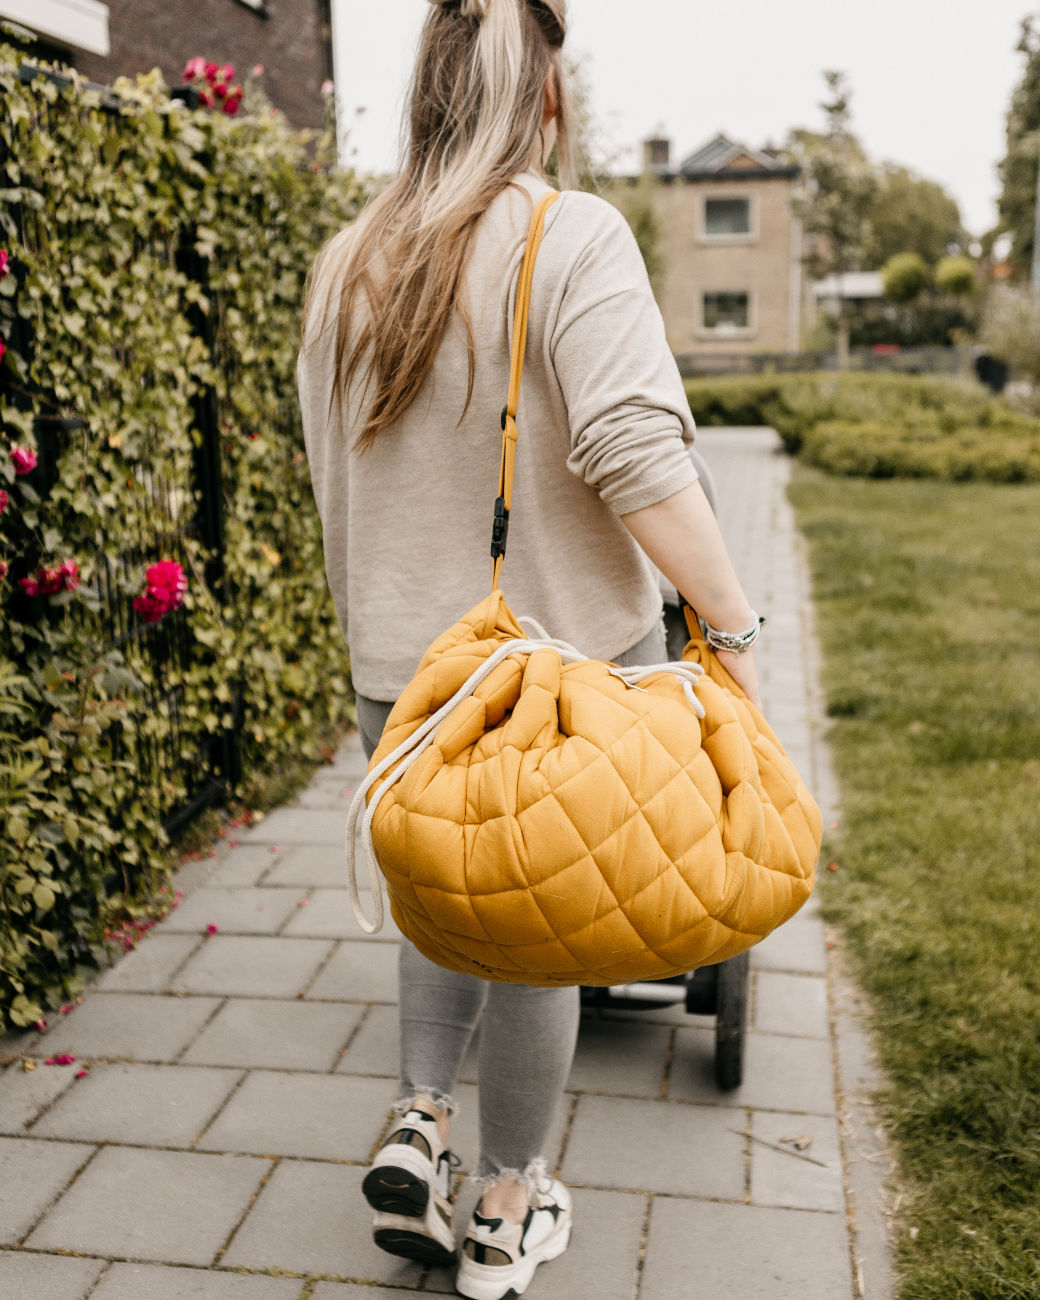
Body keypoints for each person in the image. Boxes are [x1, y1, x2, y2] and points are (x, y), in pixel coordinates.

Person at [298, 2, 761, 1295]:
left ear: (428, 92)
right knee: (541, 933)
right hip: (556, 675)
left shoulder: (347, 260)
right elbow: (633, 449)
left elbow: (334, 478)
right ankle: (506, 1208)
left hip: (402, 672)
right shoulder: (572, 233)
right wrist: (731, 627)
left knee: (443, 896)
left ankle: (418, 1120)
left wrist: (373, 641)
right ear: (544, 98)